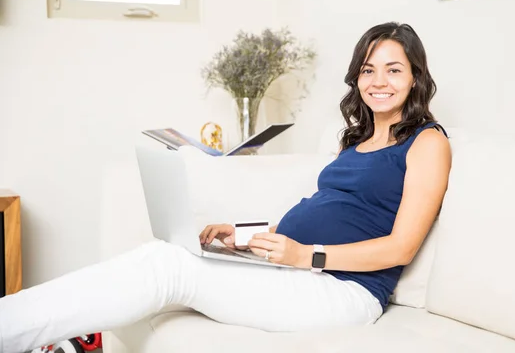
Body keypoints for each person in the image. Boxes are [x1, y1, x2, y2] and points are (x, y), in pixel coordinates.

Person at [0, 22, 451, 353]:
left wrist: (306, 255)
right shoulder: (354, 141)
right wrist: (241, 235)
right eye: (369, 70)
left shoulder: (427, 142)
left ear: (415, 77)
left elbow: (401, 247)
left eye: (394, 70)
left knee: (169, 270)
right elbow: (328, 213)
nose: (378, 82)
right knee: (166, 253)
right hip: (296, 271)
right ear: (356, 77)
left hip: (345, 292)